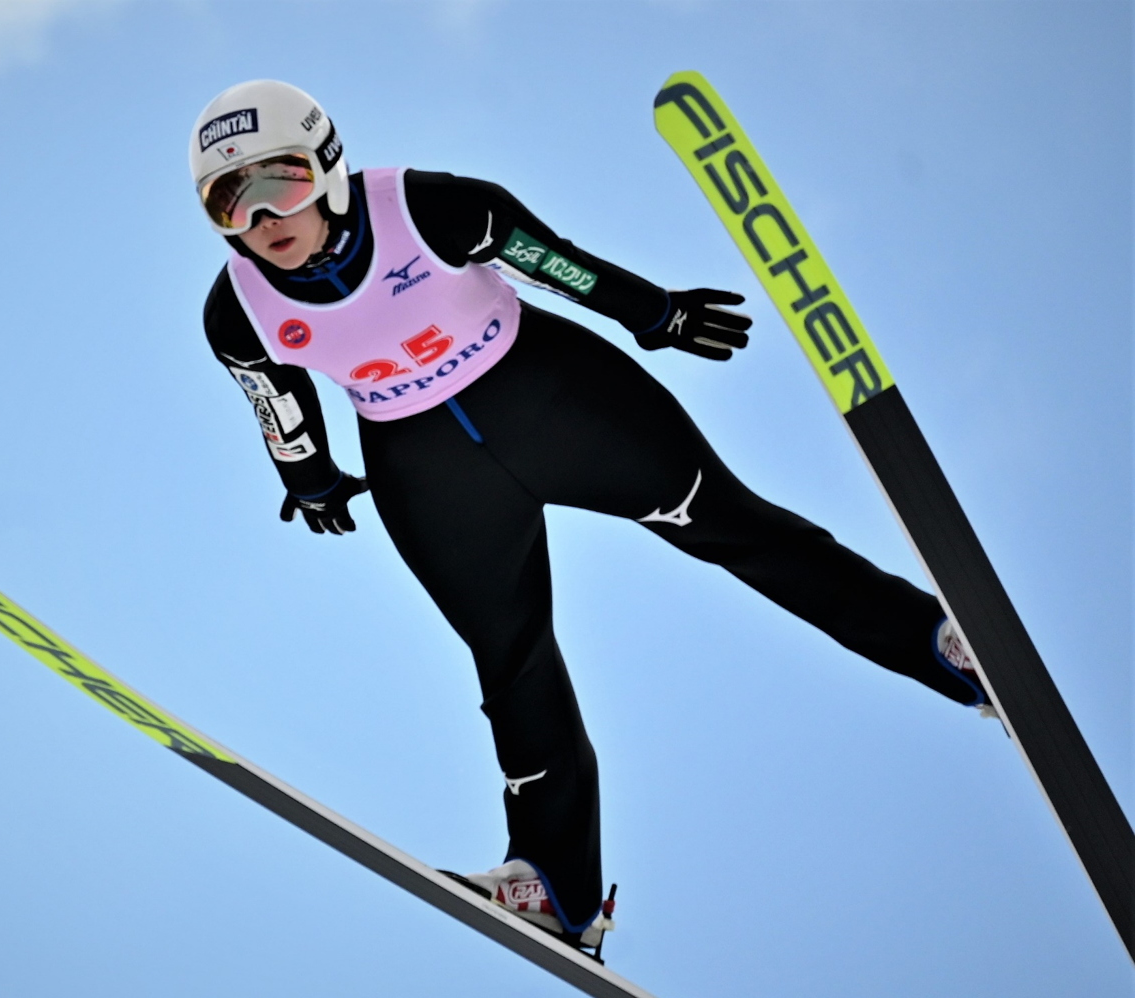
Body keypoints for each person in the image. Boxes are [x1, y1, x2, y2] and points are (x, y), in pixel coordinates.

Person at [191, 80, 992, 950]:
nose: (263, 215)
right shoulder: (236, 308)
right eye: (230, 200)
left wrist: (658, 315)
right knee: (511, 660)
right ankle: (558, 891)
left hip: (561, 402)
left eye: (283, 180)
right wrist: (309, 480)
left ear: (332, 167)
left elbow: (555, 262)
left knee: (734, 527)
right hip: (428, 472)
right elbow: (276, 403)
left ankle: (942, 650)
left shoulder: (431, 206)